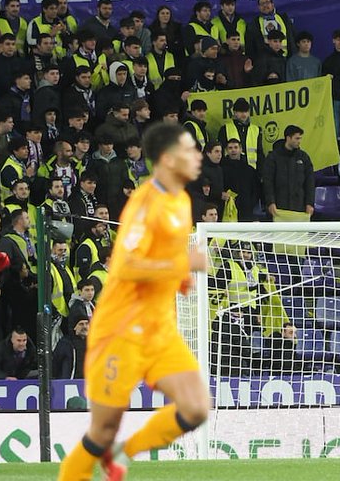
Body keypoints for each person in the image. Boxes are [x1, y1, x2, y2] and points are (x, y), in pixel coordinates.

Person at [58, 123, 211, 481]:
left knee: (196, 407)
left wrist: (180, 278)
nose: (198, 156)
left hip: (159, 329)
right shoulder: (146, 202)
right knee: (102, 430)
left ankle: (126, 454)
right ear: (168, 158)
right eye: (190, 150)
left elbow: (160, 263)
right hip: (121, 329)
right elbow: (127, 265)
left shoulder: (182, 201)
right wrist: (183, 263)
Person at [260, 125, 315, 219]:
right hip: (278, 207)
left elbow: (310, 182)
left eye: (300, 138)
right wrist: (270, 202)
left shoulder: (304, 157)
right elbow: (268, 182)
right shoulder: (273, 157)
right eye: (297, 138)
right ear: (288, 138)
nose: (299, 141)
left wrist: (309, 203)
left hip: (299, 206)